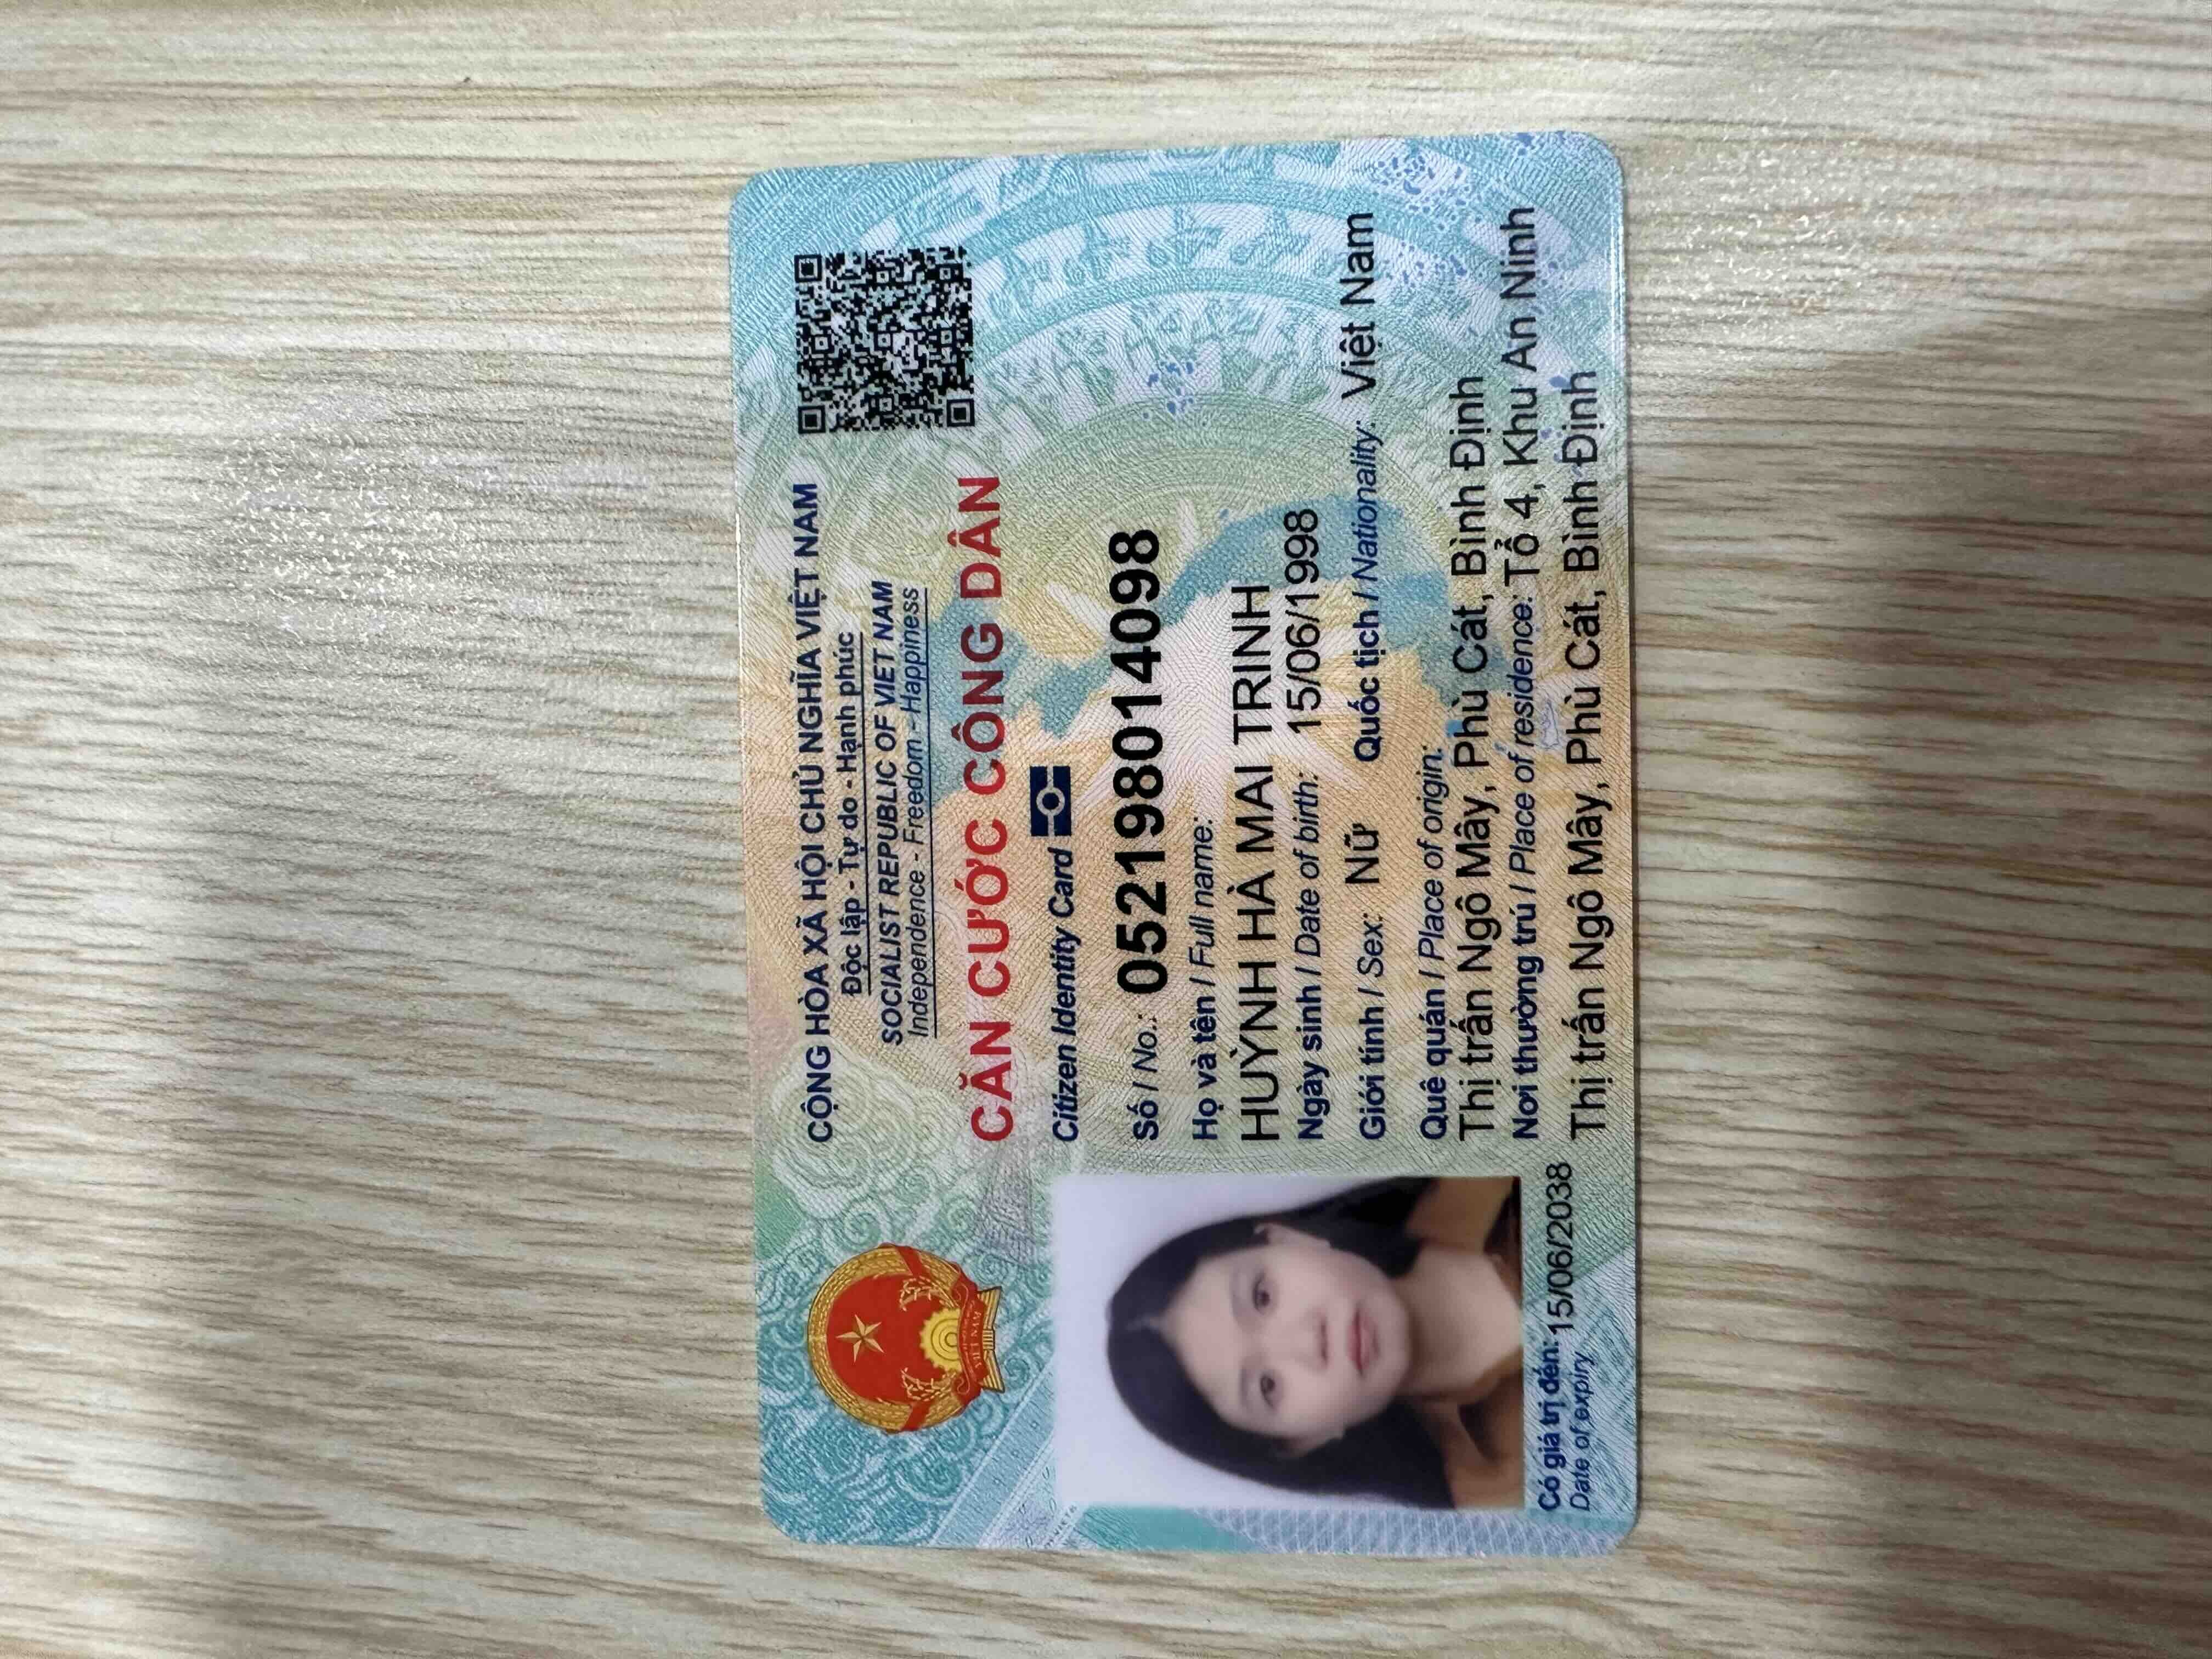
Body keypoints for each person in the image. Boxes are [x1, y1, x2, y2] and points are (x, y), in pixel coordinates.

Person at [1105, 1177, 1522, 1509]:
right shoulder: (1507, 1495)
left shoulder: (1492, 1155)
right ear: (1303, 1441)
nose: (1308, 1342)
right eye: (1268, 1385)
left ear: (1286, 1238)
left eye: (1262, 1297)